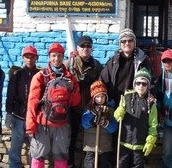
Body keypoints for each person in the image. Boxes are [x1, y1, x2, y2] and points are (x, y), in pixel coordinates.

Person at [26, 42, 81, 168]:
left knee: (61, 155)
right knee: (38, 155)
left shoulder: (70, 78)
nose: (57, 59)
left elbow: (75, 102)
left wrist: (73, 90)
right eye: (54, 55)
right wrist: (31, 125)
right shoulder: (40, 76)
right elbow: (32, 102)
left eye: (60, 56)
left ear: (63, 57)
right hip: (42, 124)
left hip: (62, 124)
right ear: (49, 57)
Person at [65, 35, 103, 168]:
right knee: (71, 139)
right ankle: (70, 164)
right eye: (83, 46)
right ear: (78, 48)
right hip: (73, 108)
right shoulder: (69, 64)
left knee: (89, 141)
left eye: (88, 46)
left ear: (92, 48)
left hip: (89, 108)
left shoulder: (97, 65)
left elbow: (101, 85)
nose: (86, 49)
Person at [114, 67, 158, 168]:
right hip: (124, 142)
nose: (141, 86)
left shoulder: (150, 103)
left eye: (144, 83)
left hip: (139, 144)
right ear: (134, 84)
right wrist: (119, 112)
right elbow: (117, 117)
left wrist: (150, 139)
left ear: (148, 86)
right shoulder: (126, 97)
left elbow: (153, 124)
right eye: (138, 83)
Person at [5, 45, 39, 168]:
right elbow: (10, 96)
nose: (29, 59)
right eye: (27, 57)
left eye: (32, 57)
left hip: (35, 117)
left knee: (35, 148)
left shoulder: (40, 74)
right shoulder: (17, 75)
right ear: (23, 58)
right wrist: (9, 114)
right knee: (15, 146)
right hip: (18, 116)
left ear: (36, 58)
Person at [99, 28, 152, 106]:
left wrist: (151, 95)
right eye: (123, 41)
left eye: (130, 40)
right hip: (115, 103)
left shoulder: (143, 60)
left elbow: (151, 80)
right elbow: (103, 80)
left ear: (134, 43)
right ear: (120, 44)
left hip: (135, 104)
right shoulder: (114, 61)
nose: (127, 43)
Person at [82, 80, 117, 168]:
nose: (100, 99)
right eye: (97, 97)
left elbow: (114, 128)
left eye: (102, 96)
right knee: (89, 165)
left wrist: (106, 124)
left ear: (106, 97)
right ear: (93, 97)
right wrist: (92, 114)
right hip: (90, 145)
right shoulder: (88, 109)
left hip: (105, 145)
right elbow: (84, 124)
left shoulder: (110, 110)